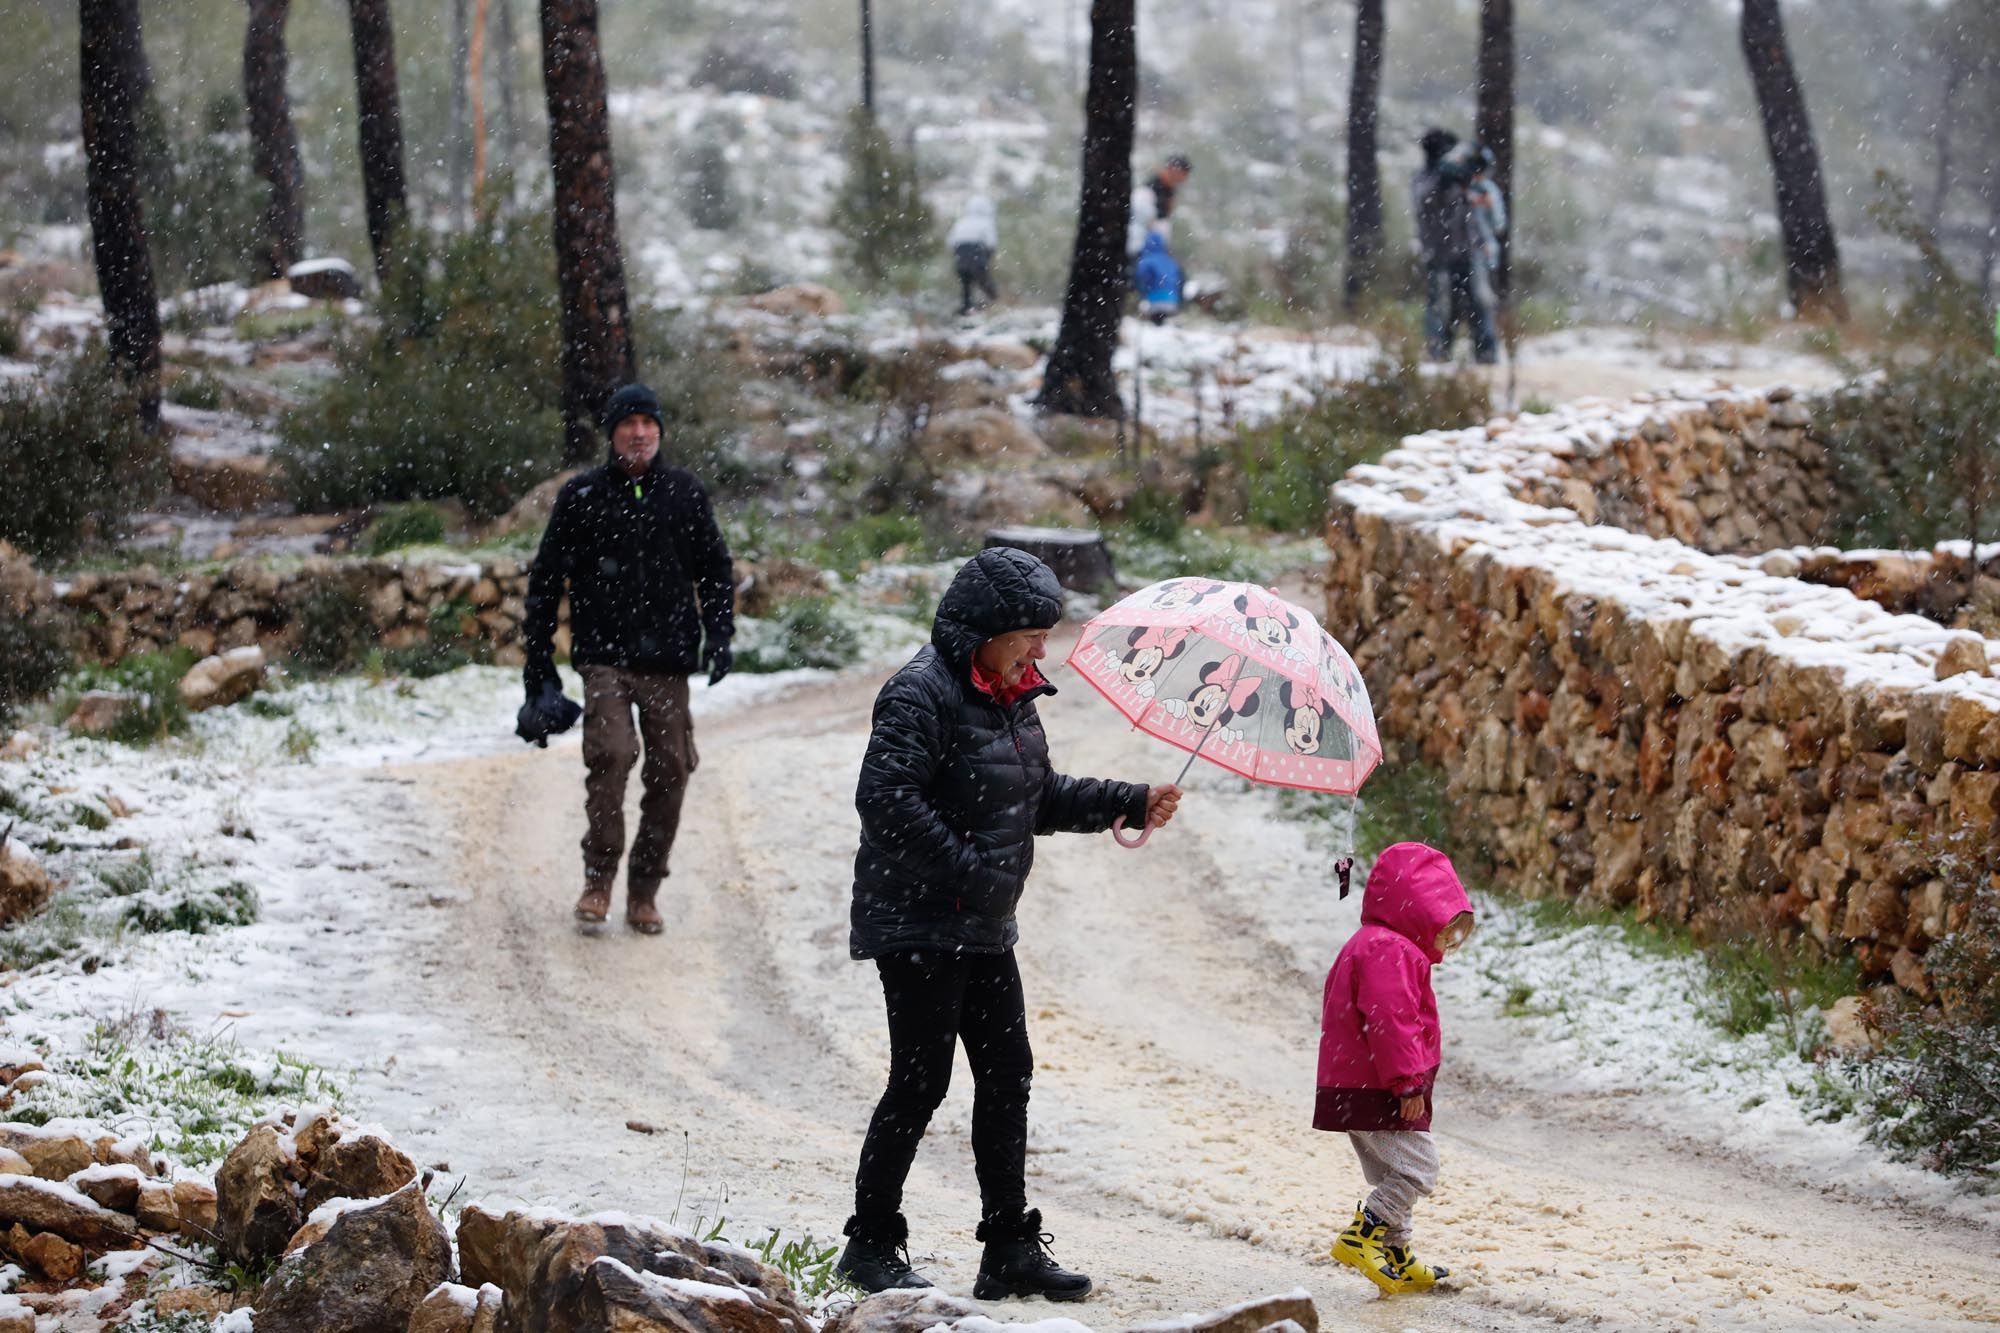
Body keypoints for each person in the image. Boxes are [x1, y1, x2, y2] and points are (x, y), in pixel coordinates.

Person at [835, 547, 1182, 1301]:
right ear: (986, 629)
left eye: (1045, 632)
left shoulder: (1011, 696)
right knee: (920, 1082)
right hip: (920, 922)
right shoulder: (918, 693)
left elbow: (1035, 796)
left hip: (982, 924)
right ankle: (868, 1244)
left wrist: (1125, 799)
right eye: (1030, 631)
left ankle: (1008, 1248)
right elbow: (886, 800)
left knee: (1007, 1074)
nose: (1041, 647)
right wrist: (971, 871)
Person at [520, 383, 735, 935]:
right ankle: (598, 879)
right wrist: (538, 663)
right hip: (604, 657)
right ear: (611, 433)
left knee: (670, 772)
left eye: (648, 423)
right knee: (611, 755)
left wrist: (721, 634)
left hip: (667, 660)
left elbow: (713, 568)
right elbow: (546, 580)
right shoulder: (582, 496)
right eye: (628, 423)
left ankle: (645, 888)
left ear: (660, 431)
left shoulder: (684, 493)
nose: (639, 433)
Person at [1315, 841, 1475, 1296]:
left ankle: (1396, 1254)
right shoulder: (1389, 949)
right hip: (1380, 1085)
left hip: (1358, 1081)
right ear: (1420, 913)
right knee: (1419, 1169)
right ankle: (1361, 1236)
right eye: (1445, 930)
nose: (1445, 942)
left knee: (1395, 1172)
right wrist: (1408, 1083)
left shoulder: (1379, 944)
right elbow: (1391, 1020)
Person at [1411, 129, 1497, 366]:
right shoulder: (1425, 179)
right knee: (1440, 306)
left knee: (1480, 301)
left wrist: (1482, 242)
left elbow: (1471, 215)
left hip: (1467, 252)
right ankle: (1438, 351)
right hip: (1438, 254)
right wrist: (1446, 179)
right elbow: (1428, 201)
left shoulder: (1459, 178)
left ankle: (1486, 352)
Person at [1127, 152, 1193, 262]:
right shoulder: (1146, 191)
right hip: (1140, 250)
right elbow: (1140, 222)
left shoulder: (1169, 192)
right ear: (1172, 169)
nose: (1182, 180)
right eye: (1182, 174)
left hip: (1154, 249)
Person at [946, 195, 1000, 317]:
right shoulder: (986, 223)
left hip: (961, 258)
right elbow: (991, 242)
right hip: (977, 257)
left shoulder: (961, 222)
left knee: (966, 284)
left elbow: (950, 241)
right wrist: (988, 255)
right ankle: (995, 303)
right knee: (984, 281)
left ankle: (966, 308)